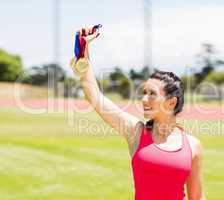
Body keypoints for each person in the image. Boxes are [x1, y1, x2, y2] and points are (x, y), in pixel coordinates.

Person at [70, 26, 205, 200]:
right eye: (144, 92)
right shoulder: (136, 132)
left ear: (171, 102)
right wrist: (83, 57)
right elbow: (94, 97)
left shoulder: (193, 146)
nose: (143, 99)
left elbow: (197, 197)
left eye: (152, 94)